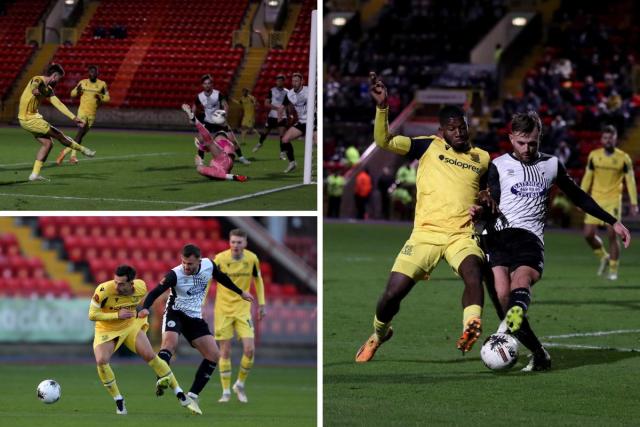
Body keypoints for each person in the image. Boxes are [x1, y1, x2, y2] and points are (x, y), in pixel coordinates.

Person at [475, 112, 632, 372]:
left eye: (533, 143)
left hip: (529, 236)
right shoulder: (498, 165)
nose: (527, 149)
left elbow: (578, 196)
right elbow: (491, 201)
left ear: (540, 138)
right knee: (504, 297)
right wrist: (479, 208)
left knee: (521, 282)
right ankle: (539, 354)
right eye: (521, 143)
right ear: (511, 138)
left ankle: (514, 316)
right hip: (497, 236)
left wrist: (612, 221)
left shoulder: (551, 165)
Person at [355, 72, 491, 363]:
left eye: (462, 128)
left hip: (461, 235)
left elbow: (489, 197)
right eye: (452, 129)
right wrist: (382, 107)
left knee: (473, 274)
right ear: (442, 131)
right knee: (392, 295)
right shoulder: (427, 145)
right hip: (425, 235)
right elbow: (384, 141)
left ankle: (471, 324)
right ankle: (378, 334)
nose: (459, 133)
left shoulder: (483, 158)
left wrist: (484, 206)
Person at [138, 244, 254, 408]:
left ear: (199, 261)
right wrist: (144, 308)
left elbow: (222, 278)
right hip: (175, 312)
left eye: (190, 264)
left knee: (213, 354)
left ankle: (192, 395)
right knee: (169, 345)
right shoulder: (174, 274)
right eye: (184, 262)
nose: (186, 266)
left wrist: (241, 292)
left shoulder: (208, 265)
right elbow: (155, 292)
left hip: (194, 317)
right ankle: (161, 379)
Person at [89, 265, 201, 415]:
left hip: (130, 326)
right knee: (101, 360)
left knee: (151, 356)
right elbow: (92, 315)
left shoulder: (141, 287)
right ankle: (119, 400)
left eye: (121, 284)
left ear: (131, 283)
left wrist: (144, 309)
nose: (117, 286)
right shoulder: (103, 290)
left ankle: (181, 394)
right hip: (107, 330)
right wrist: (116, 315)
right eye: (115, 282)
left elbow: (149, 297)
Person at [18, 63, 96, 181]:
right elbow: (34, 85)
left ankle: (34, 174)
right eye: (59, 78)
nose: (58, 81)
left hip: (30, 118)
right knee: (59, 135)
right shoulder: (38, 79)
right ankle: (84, 150)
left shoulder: (48, 90)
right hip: (29, 119)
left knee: (48, 144)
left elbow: (58, 104)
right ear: (54, 76)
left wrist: (74, 118)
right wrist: (34, 89)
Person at [213, 229, 266, 403]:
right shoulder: (220, 259)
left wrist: (262, 304)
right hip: (223, 309)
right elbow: (207, 281)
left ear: (245, 243)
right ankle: (226, 391)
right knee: (225, 351)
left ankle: (240, 384)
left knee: (250, 350)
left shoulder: (252, 259)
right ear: (229, 242)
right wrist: (201, 303)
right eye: (233, 242)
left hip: (243, 309)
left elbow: (258, 280)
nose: (236, 245)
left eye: (239, 242)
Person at [580, 125, 637, 280]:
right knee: (588, 235)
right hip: (595, 200)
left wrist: (633, 202)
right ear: (601, 139)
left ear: (615, 139)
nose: (608, 140)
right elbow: (587, 177)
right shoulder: (594, 155)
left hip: (612, 201)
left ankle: (613, 270)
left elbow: (630, 181)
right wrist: (580, 198)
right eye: (605, 138)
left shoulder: (623, 158)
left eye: (611, 138)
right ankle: (604, 257)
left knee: (613, 235)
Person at [56, 65, 109, 165]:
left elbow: (107, 98)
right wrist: (77, 91)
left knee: (80, 136)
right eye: (91, 72)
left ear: (97, 73)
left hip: (92, 115)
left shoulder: (102, 84)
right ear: (88, 73)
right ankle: (68, 155)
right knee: (80, 132)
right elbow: (72, 94)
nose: (92, 74)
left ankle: (70, 155)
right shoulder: (82, 82)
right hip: (82, 113)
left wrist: (101, 96)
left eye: (95, 72)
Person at [193, 74, 250, 164]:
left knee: (232, 140)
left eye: (209, 83)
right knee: (201, 140)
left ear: (212, 84)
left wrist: (225, 114)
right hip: (208, 122)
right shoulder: (199, 96)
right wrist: (192, 115)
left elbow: (225, 105)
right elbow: (195, 106)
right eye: (205, 83)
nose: (207, 85)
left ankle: (241, 158)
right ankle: (201, 160)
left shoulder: (218, 94)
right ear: (202, 85)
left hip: (220, 121)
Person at [181, 104, 248, 182]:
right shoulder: (223, 139)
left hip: (224, 160)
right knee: (200, 167)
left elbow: (211, 144)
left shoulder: (220, 137)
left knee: (209, 142)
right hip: (224, 163)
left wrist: (200, 157)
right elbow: (215, 147)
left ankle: (194, 119)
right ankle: (231, 176)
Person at [281, 72, 315, 173]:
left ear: (302, 82)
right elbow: (283, 107)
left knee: (318, 142)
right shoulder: (289, 94)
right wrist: (283, 116)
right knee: (285, 139)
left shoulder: (310, 90)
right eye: (293, 81)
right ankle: (292, 163)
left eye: (296, 81)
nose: (294, 83)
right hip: (302, 121)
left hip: (313, 121)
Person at [253, 74, 288, 155]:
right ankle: (260, 143)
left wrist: (290, 114)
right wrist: (277, 109)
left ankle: (282, 152)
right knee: (265, 132)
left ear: (283, 82)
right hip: (272, 116)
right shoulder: (272, 90)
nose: (279, 82)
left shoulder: (287, 92)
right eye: (277, 81)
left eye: (280, 81)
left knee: (282, 135)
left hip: (283, 116)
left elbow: (289, 104)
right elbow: (266, 103)